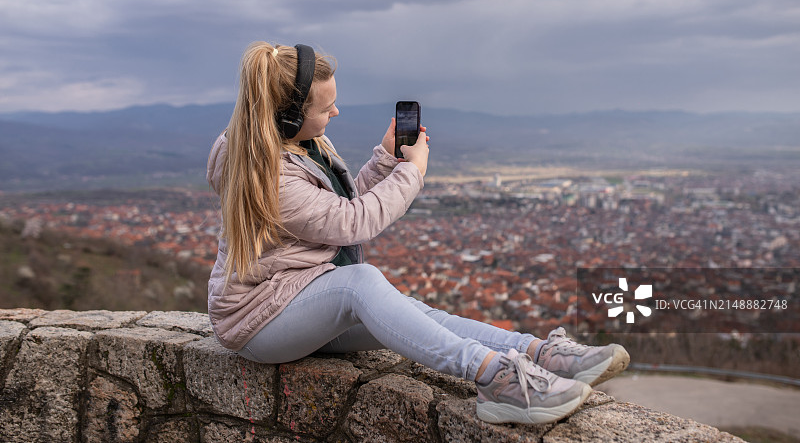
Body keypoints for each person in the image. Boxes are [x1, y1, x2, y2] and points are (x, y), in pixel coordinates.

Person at [206, 41, 630, 425]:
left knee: (419, 315)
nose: (335, 113)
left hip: (302, 301)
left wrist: (387, 160)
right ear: (288, 115)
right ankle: (496, 380)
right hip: (259, 323)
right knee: (361, 284)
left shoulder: (299, 142)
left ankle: (537, 353)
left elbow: (338, 208)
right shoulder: (267, 171)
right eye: (325, 108)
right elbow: (353, 224)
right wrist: (413, 172)